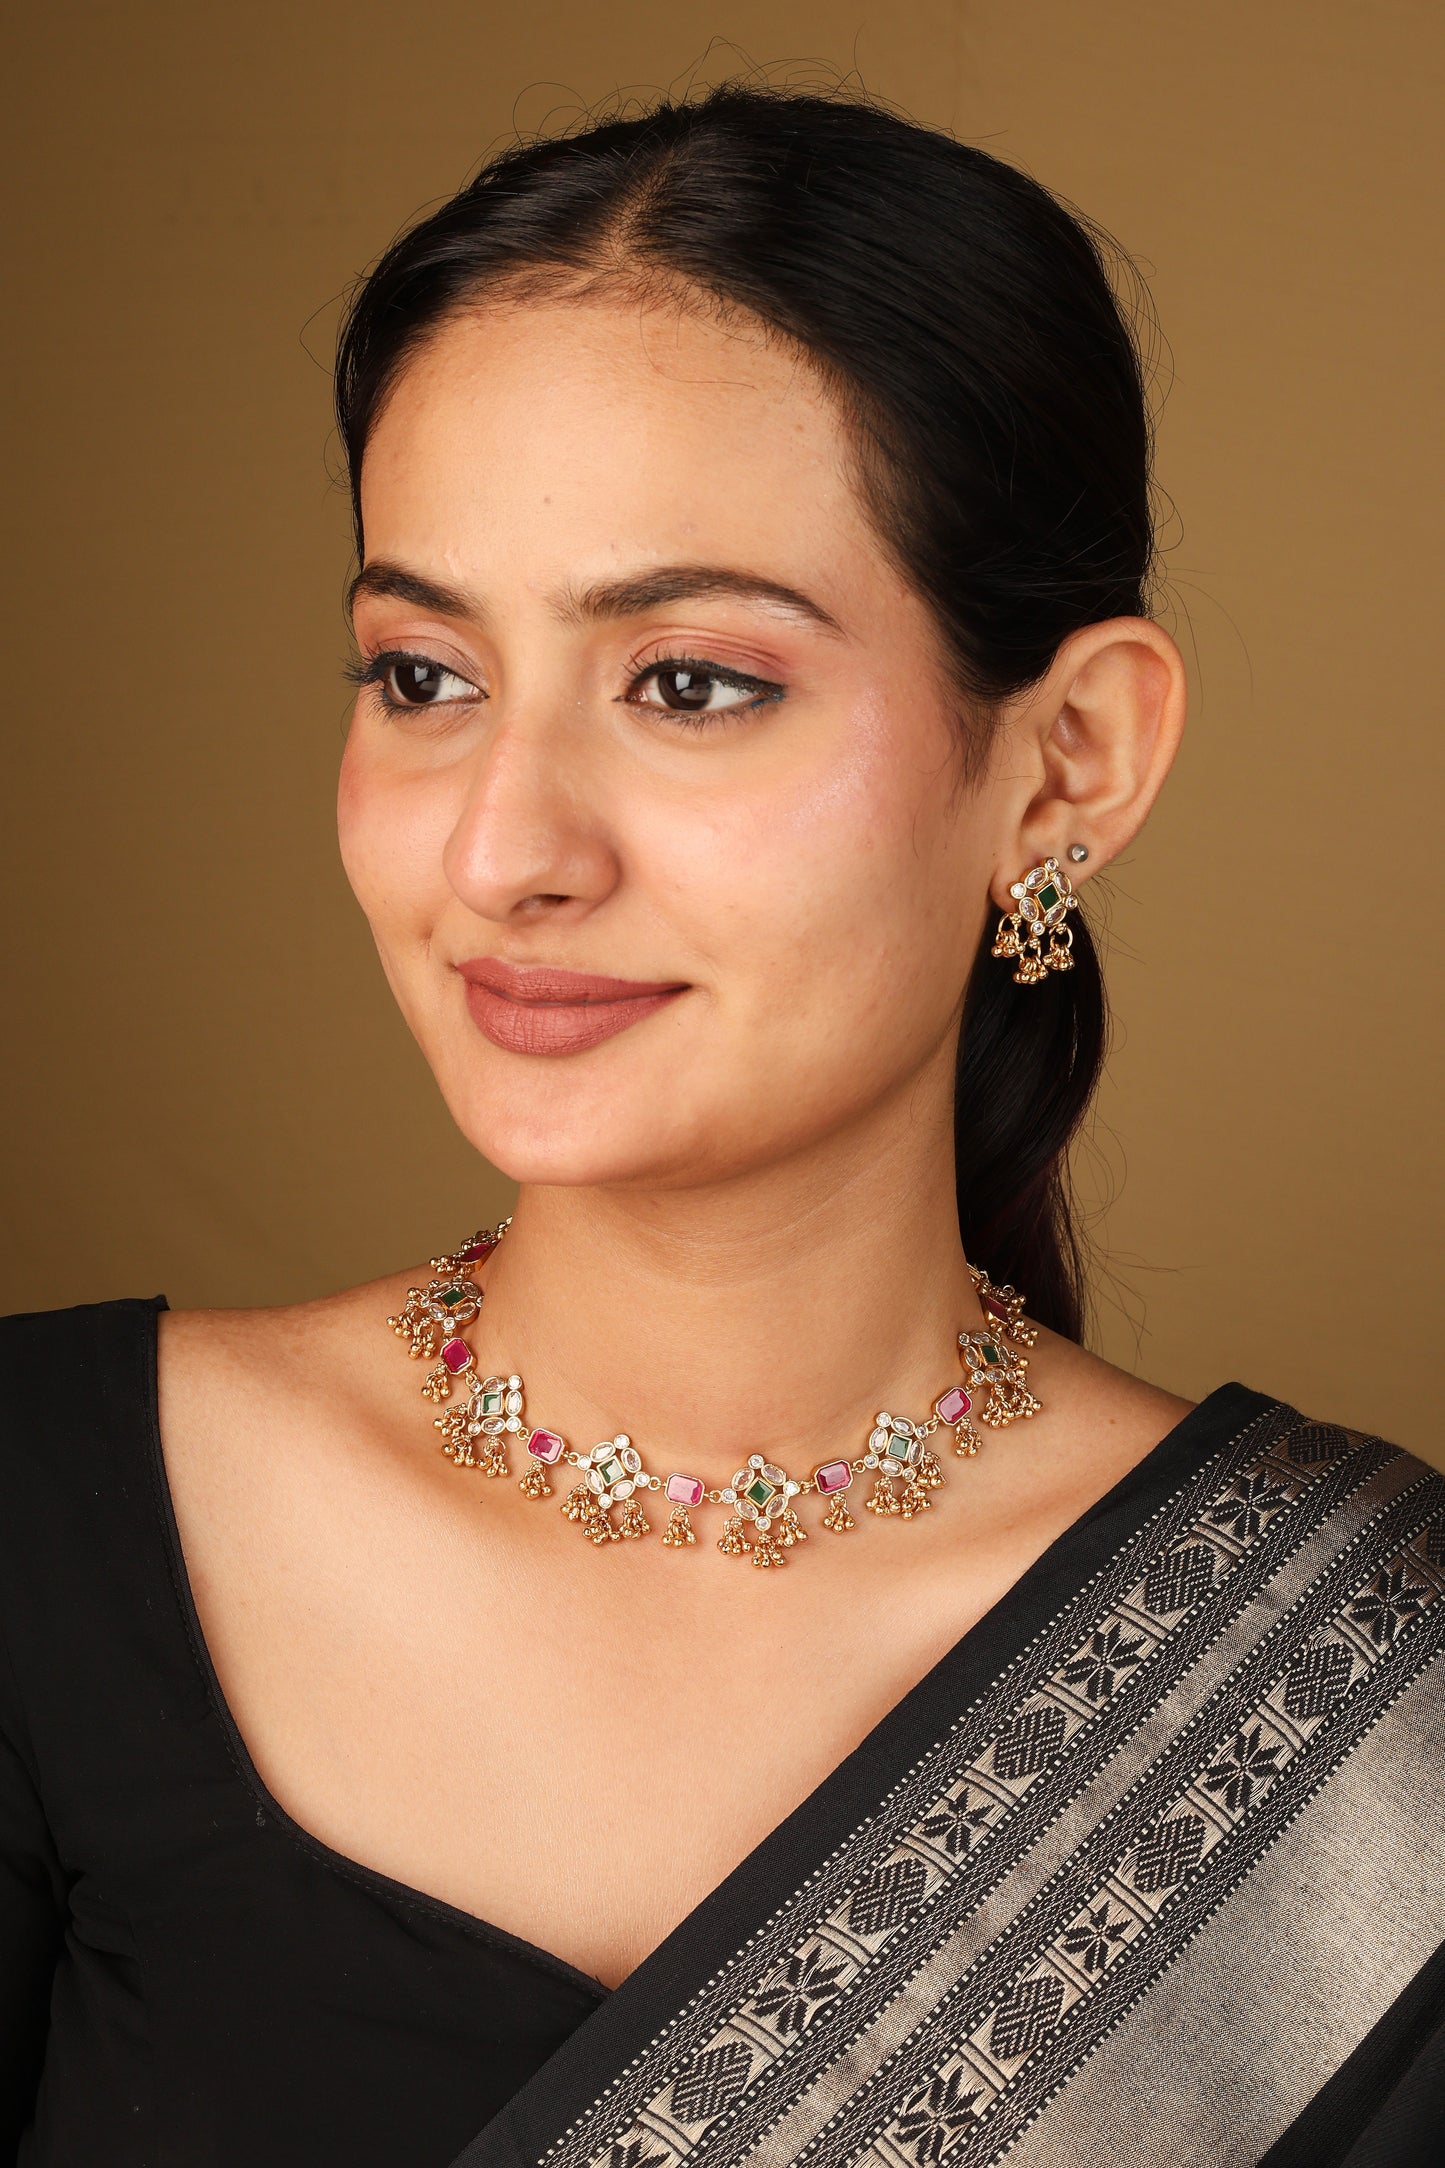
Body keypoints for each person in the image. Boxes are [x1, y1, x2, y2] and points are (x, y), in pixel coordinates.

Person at [2, 84, 1440, 2168]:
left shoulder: (1365, 1695)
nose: (501, 847)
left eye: (686, 682)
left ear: (1069, 764)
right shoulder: (49, 1527)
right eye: (419, 674)